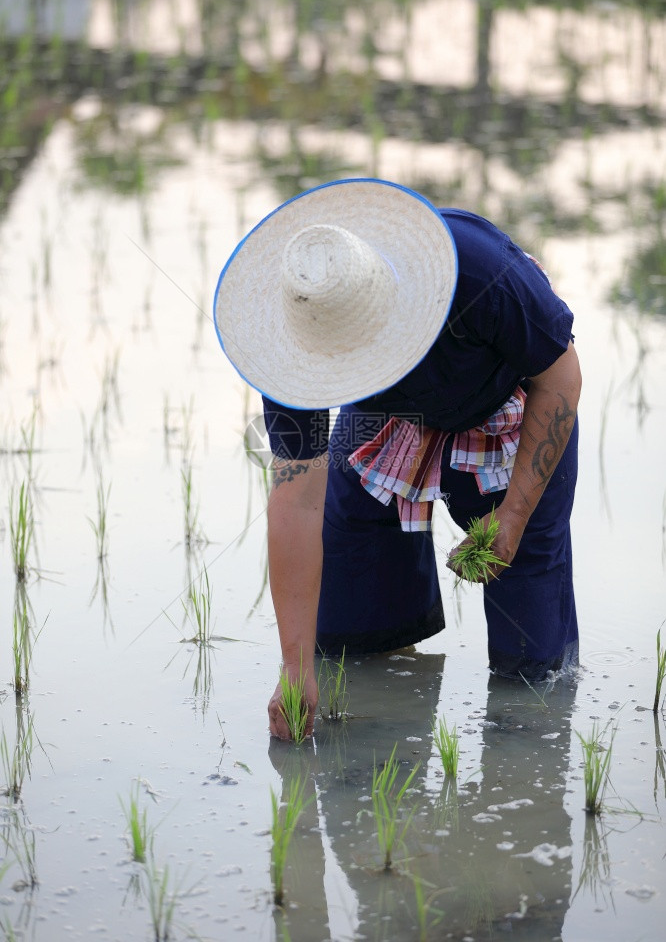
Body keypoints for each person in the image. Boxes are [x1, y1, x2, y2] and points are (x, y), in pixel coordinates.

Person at [213, 178, 581, 741]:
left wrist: (511, 517)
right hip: (385, 420)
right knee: (350, 630)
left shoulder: (481, 272)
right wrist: (296, 670)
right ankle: (377, 760)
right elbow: (297, 499)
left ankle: (523, 736)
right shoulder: (294, 332)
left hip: (507, 411)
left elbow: (560, 378)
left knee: (531, 671)